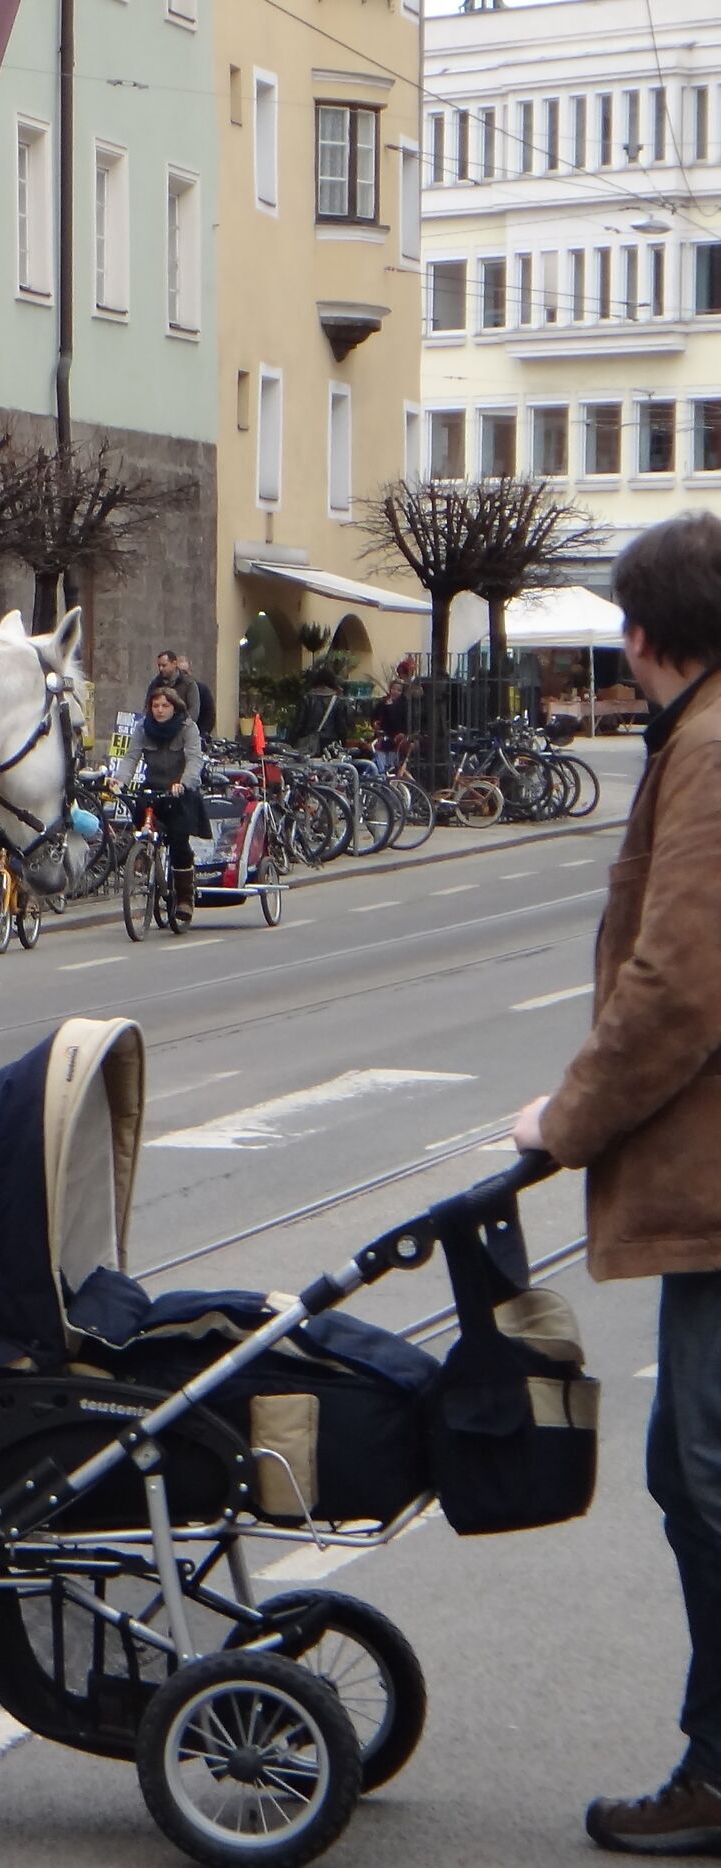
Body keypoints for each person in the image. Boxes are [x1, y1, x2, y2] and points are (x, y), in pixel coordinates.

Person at [510, 512, 721, 1857]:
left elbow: (679, 983)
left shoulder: (708, 750)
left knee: (704, 1470)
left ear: (640, 639)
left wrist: (567, 1124)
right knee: (689, 1466)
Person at [113, 682, 209, 926]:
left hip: (179, 791)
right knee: (140, 820)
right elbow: (131, 757)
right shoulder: (143, 728)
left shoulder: (188, 728)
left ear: (174, 707)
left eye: (165, 705)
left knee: (179, 841)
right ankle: (145, 860)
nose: (159, 710)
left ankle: (185, 898)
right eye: (155, 705)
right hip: (153, 787)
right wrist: (119, 780)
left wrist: (184, 783)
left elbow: (194, 759)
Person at [287, 664, 350, 754]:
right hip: (330, 746)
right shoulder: (337, 700)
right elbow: (341, 727)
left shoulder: (307, 698)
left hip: (308, 745)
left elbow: (298, 724)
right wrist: (343, 745)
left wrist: (290, 743)